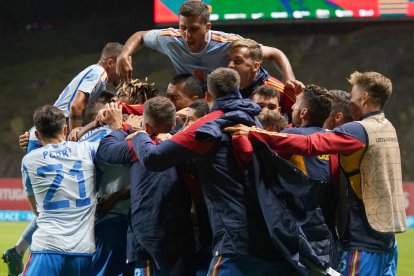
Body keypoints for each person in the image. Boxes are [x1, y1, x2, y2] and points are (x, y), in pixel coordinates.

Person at [225, 71, 407, 276]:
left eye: (353, 95)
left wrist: (255, 134)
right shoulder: (387, 128)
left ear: (364, 97)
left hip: (364, 241)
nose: (350, 103)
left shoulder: (358, 130)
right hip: (388, 239)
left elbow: (311, 144)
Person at [132, 68, 299, 275]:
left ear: (208, 96)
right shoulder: (254, 122)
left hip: (234, 239)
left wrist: (140, 135)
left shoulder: (207, 126)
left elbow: (153, 159)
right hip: (271, 234)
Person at [97, 98, 195, 275]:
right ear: (173, 122)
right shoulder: (184, 144)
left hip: (147, 236)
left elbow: (105, 150)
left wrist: (121, 127)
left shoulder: (138, 146)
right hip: (181, 234)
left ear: (147, 126)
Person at [116, 0, 295, 84]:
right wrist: (124, 55)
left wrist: (289, 78)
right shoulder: (170, 39)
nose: (186, 35)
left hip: (236, 92)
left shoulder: (229, 42)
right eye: (183, 27)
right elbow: (140, 35)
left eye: (193, 29)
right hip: (199, 95)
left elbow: (275, 53)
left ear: (207, 27)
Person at [20, 105, 98, 275]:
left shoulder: (29, 160)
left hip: (48, 246)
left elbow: (37, 210)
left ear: (38, 135)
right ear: (65, 129)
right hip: (83, 250)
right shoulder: (88, 149)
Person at [227, 39, 301, 120]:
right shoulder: (226, 88)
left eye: (238, 61)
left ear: (255, 66)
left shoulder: (280, 90)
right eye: (229, 60)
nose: (230, 65)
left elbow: (302, 123)